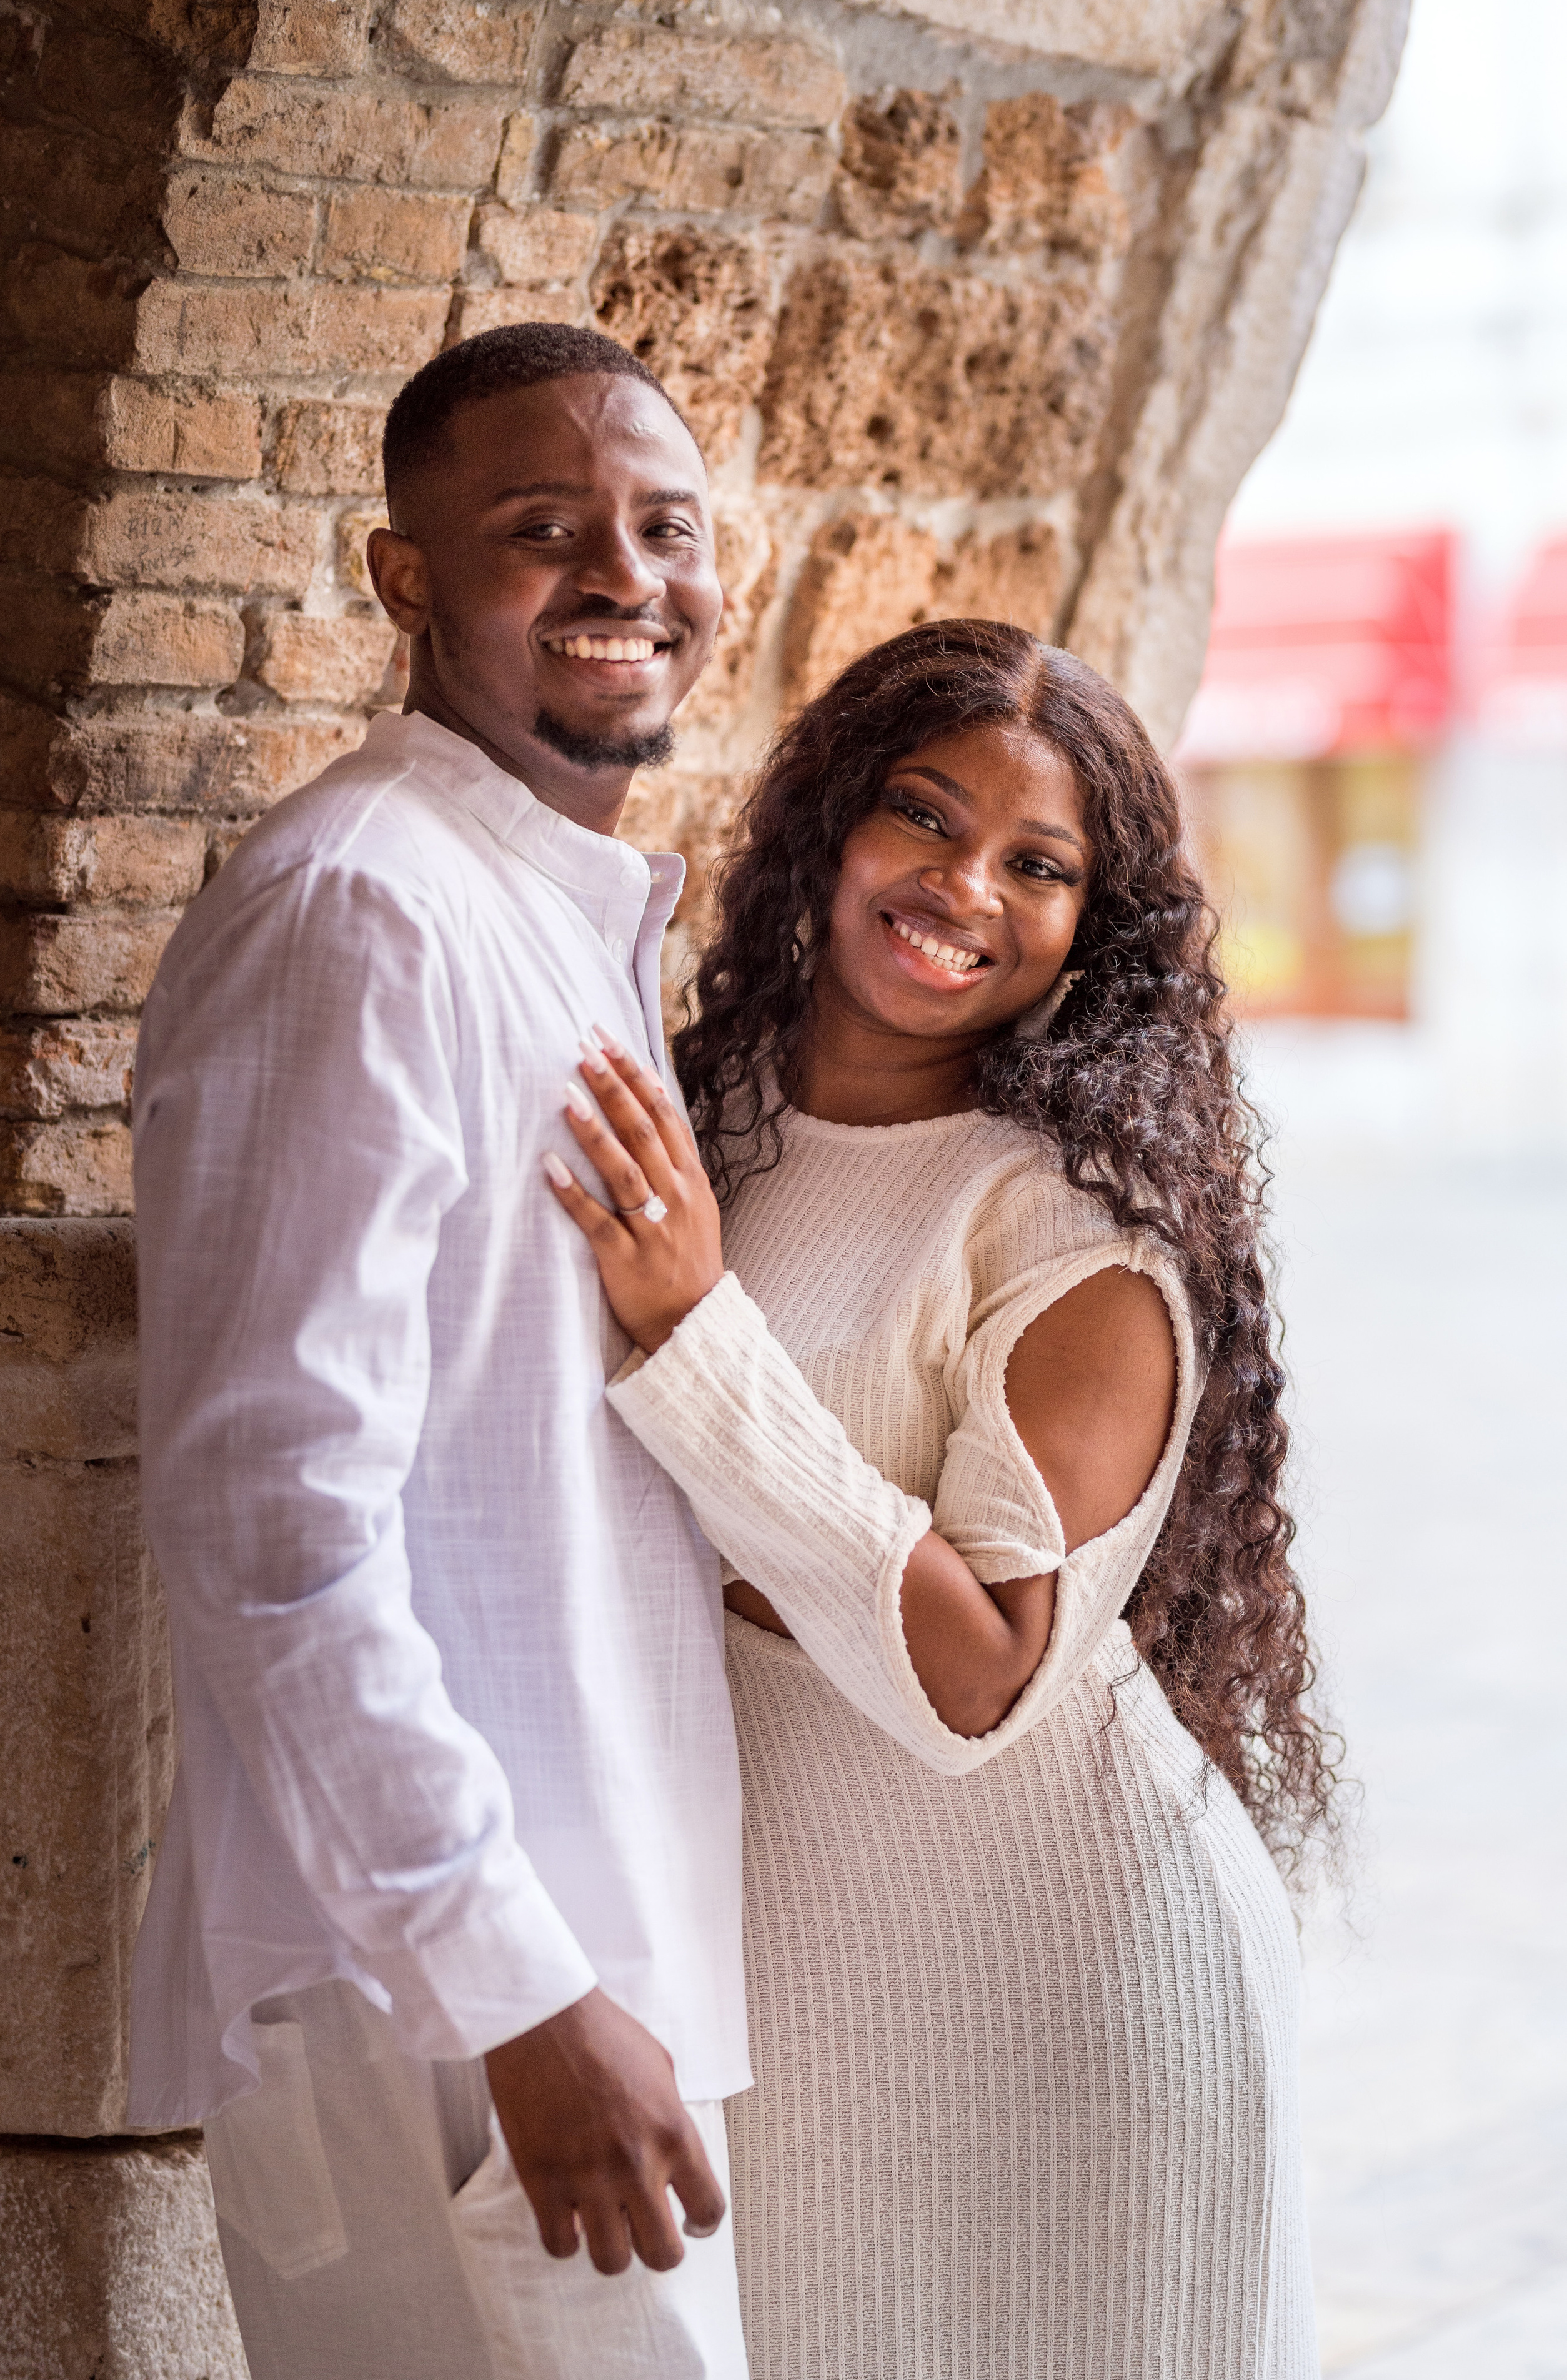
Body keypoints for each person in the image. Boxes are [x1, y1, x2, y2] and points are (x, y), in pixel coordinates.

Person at [548, 622, 1335, 2379]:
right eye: (924, 813)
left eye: (1038, 866)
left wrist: (696, 1330)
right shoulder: (704, 1120)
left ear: (1089, 928)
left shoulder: (1070, 1226)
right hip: (790, 1981)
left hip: (1072, 1995)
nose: (965, 888)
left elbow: (977, 1679)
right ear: (833, 820)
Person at [126, 324, 754, 2379]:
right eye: (543, 528)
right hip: (460, 2016)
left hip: (561, 1983)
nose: (624, 575)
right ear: (407, 578)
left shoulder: (542, 906)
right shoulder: (361, 909)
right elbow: (270, 1519)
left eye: (665, 527)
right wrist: (517, 1988)